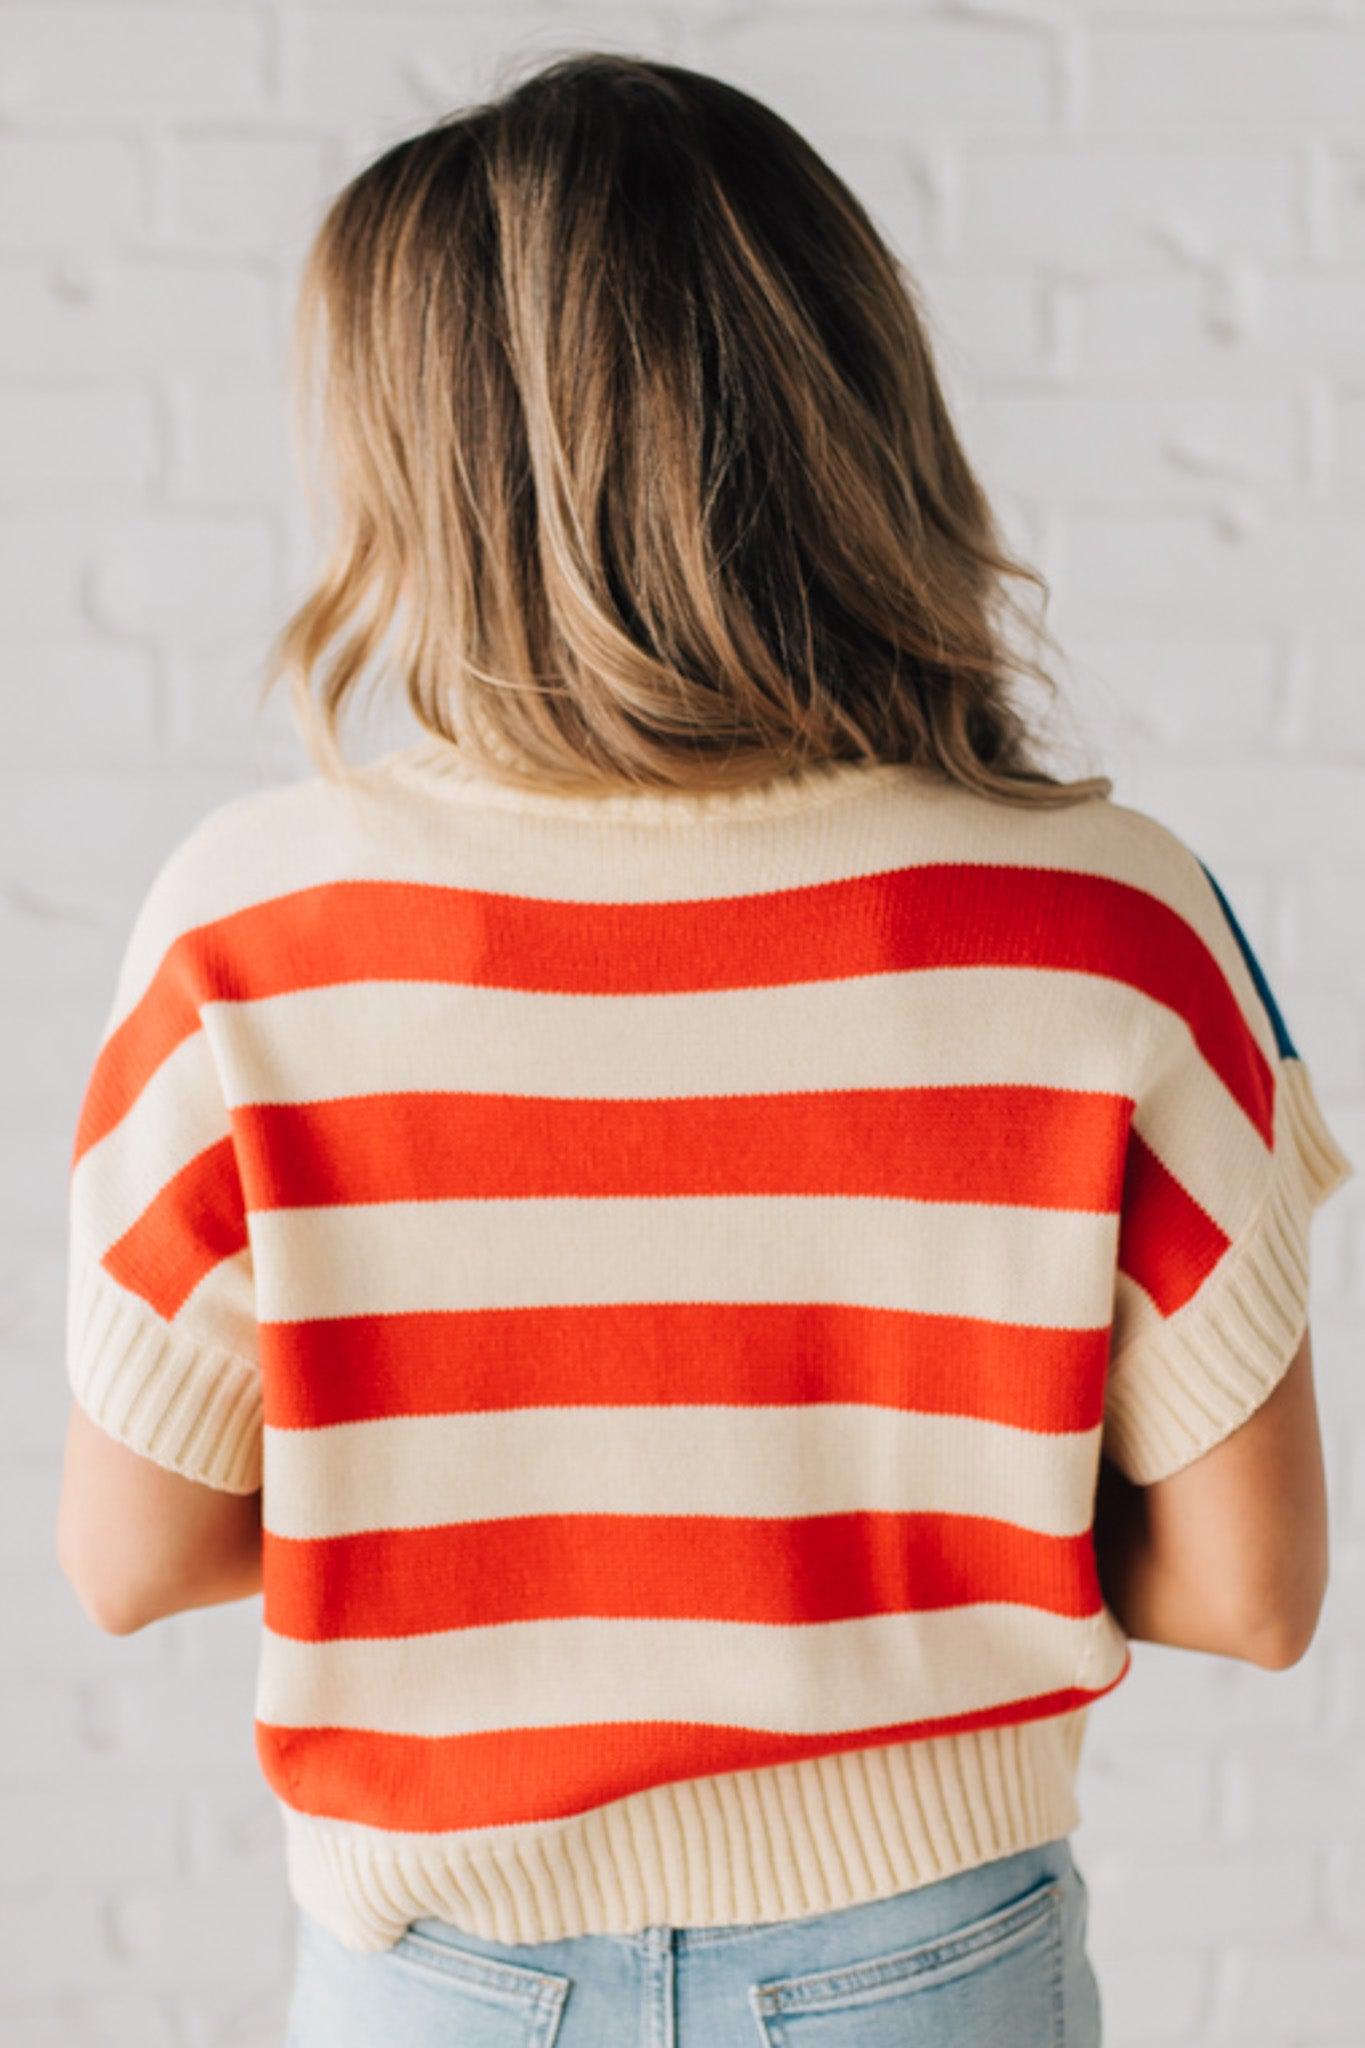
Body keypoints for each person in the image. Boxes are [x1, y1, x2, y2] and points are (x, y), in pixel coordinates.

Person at [56, 51, 1355, 2048]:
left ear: (418, 462)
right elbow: (1253, 1592)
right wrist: (895, 1533)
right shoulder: (1113, 916)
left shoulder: (251, 927)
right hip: (932, 1971)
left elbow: (131, 1552)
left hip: (440, 1983)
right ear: (848, 403)